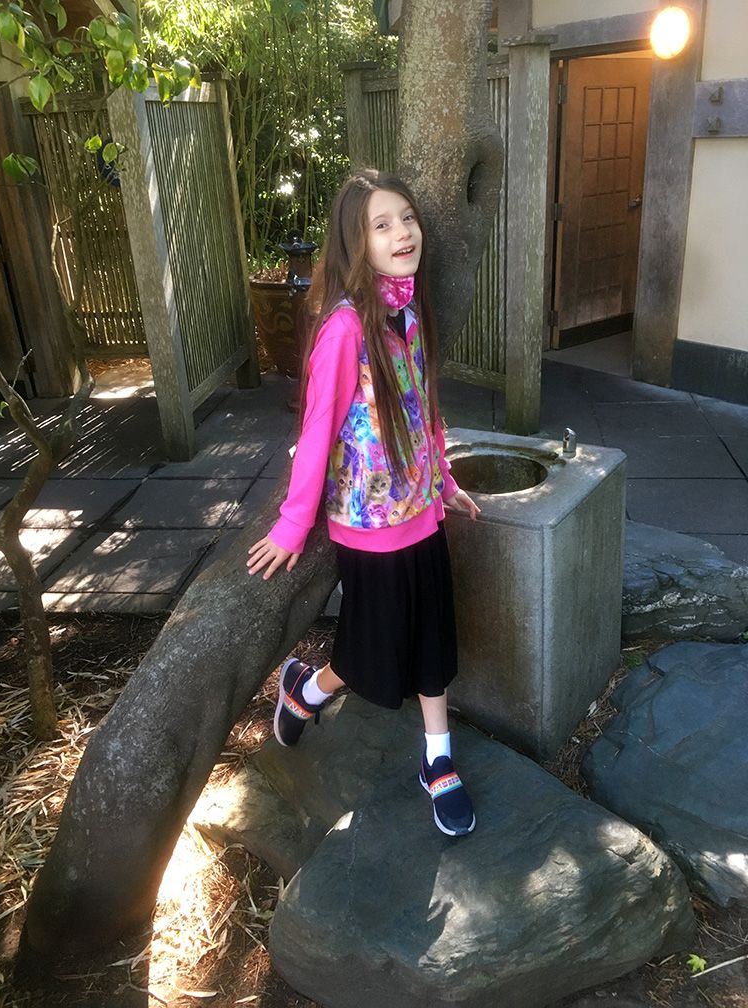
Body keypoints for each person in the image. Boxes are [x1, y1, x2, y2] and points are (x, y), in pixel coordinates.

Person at [247, 168, 481, 837]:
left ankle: (438, 758)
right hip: (369, 523)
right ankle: (304, 690)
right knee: (368, 654)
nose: (403, 233)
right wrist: (293, 525)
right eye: (382, 225)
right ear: (357, 242)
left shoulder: (411, 310)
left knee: (433, 641)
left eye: (407, 218)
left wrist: (445, 482)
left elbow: (424, 406)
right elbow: (317, 427)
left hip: (422, 515)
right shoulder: (345, 329)